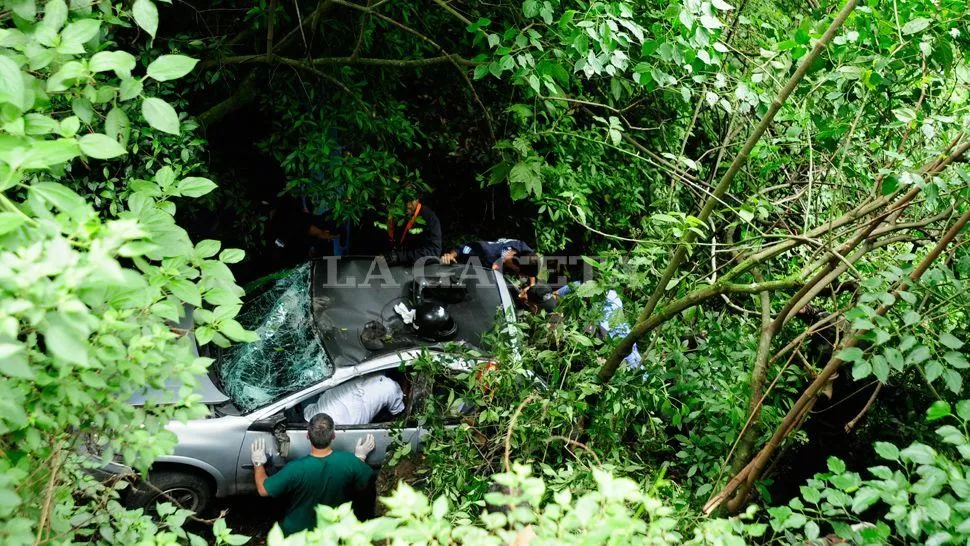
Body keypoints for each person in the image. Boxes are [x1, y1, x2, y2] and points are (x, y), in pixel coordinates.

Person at [251, 414, 376, 535]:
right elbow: (367, 482)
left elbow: (263, 490)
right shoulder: (350, 461)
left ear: (307, 435)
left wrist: (258, 464)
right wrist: (361, 457)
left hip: (298, 535)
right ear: (333, 435)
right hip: (333, 532)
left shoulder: (295, 468)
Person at [302, 374, 405, 425]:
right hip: (351, 420)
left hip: (328, 404)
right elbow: (397, 413)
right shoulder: (391, 389)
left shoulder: (366, 369)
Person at [384, 198, 442, 266]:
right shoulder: (398, 215)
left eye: (411, 200)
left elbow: (434, 252)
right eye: (404, 200)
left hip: (420, 271)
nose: (407, 205)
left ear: (417, 199)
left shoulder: (429, 218)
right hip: (395, 268)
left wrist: (400, 257)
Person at [440, 238, 534, 273]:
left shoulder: (521, 246)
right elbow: (462, 248)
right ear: (516, 268)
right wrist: (451, 255)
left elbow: (531, 260)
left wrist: (531, 284)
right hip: (464, 265)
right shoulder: (488, 254)